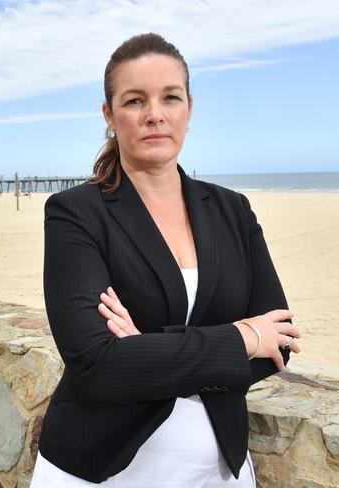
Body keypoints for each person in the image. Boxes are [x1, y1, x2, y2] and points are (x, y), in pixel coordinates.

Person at [29, 33, 302, 487]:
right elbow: (98, 364)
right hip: (102, 471)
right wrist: (240, 337)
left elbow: (280, 342)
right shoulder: (75, 213)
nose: (155, 114)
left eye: (169, 97)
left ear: (188, 109)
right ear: (109, 115)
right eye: (135, 100)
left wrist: (146, 348)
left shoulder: (233, 210)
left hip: (218, 471)